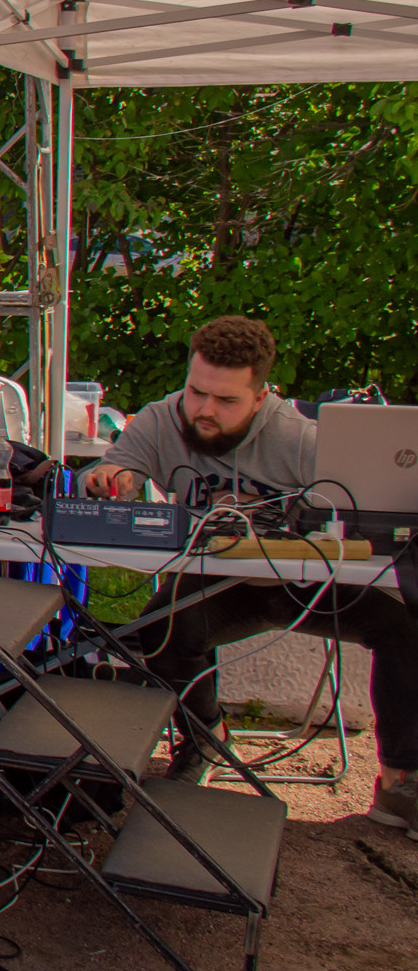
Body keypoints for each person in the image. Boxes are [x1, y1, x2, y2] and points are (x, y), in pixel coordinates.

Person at [89, 315, 418, 825]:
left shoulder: (300, 439)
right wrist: (113, 478)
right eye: (196, 392)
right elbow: (116, 469)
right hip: (219, 584)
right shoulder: (159, 420)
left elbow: (362, 510)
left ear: (262, 397)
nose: (204, 411)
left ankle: (400, 780)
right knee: (161, 629)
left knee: (405, 628)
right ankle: (207, 739)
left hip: (303, 583)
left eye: (226, 401)